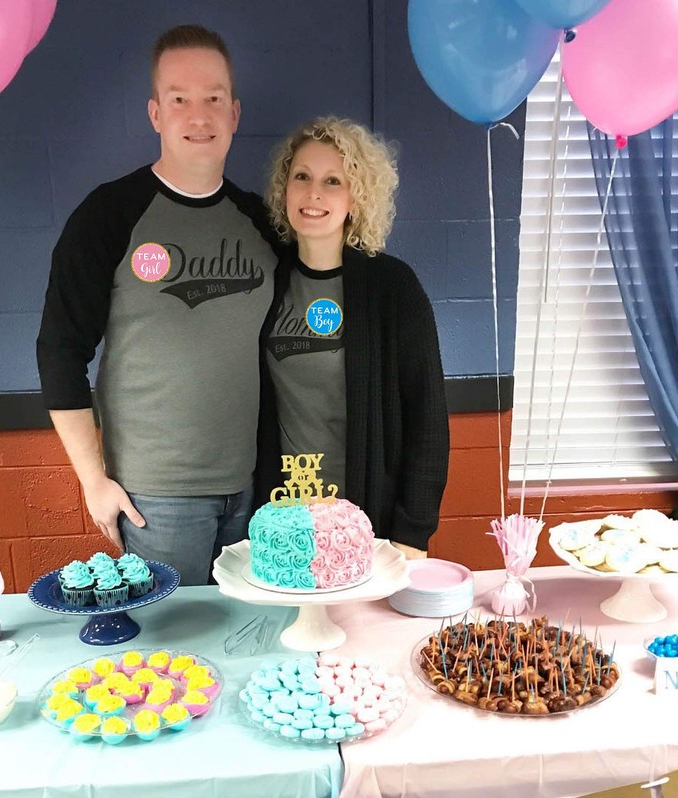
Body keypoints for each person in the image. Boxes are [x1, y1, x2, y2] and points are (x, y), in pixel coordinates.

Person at [36, 25, 278, 585]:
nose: (199, 116)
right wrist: (93, 480)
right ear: (155, 114)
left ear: (234, 113)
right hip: (156, 500)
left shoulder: (261, 222)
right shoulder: (108, 215)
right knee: (173, 640)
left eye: (213, 98)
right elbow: (59, 351)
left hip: (251, 489)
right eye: (179, 99)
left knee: (249, 633)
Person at [258, 117, 449, 558]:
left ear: (356, 197)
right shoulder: (267, 278)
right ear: (284, 189)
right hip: (283, 518)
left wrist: (412, 532)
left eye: (333, 181)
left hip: (367, 518)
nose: (314, 194)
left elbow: (427, 418)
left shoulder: (392, 287)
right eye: (301, 177)